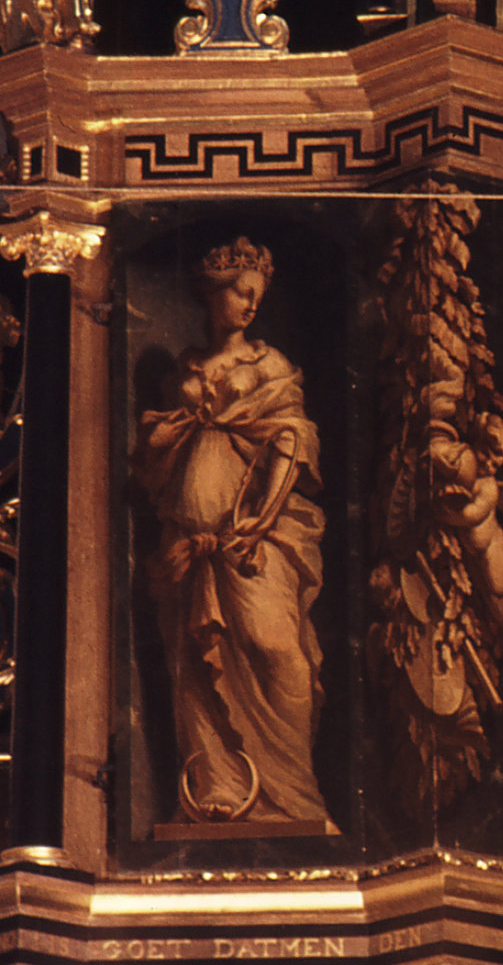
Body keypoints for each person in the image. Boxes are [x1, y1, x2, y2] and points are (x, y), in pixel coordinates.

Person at [134, 238, 331, 826]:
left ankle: (294, 792)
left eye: (256, 297)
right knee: (192, 659)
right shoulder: (185, 372)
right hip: (186, 546)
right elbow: (159, 459)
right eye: (241, 293)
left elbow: (294, 440)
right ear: (211, 292)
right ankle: (216, 788)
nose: (249, 307)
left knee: (279, 651)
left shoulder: (268, 366)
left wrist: (260, 521)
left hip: (254, 541)